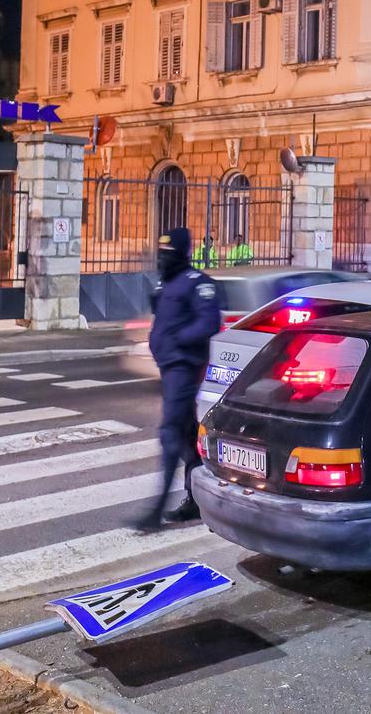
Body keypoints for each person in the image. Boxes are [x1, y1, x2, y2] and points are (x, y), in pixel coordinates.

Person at [137, 227, 221, 531]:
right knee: (187, 438)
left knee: (171, 434)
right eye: (161, 253)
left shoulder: (198, 284)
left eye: (168, 253)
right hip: (169, 368)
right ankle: (198, 500)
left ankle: (155, 511)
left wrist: (176, 342)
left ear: (182, 253)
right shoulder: (168, 282)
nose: (163, 258)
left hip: (184, 370)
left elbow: (209, 322)